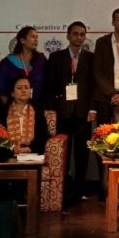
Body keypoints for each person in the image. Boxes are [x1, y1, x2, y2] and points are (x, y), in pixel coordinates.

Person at [46, 20, 95, 205]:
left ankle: (80, 190)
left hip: (83, 112)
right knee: (63, 151)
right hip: (63, 112)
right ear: (68, 36)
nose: (79, 37)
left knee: (82, 153)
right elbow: (50, 85)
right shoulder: (56, 57)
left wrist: (92, 107)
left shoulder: (91, 57)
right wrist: (52, 109)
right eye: (75, 34)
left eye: (82, 34)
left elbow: (93, 85)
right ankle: (63, 188)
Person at [0, 26, 48, 108]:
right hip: (14, 109)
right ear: (22, 40)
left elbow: (48, 84)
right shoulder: (8, 62)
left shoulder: (41, 60)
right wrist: (11, 109)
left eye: (37, 37)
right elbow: (1, 89)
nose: (36, 40)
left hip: (37, 108)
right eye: (33, 37)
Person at [0, 75, 49, 155]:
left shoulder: (37, 109)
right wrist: (12, 148)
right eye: (19, 88)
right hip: (8, 153)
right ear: (12, 93)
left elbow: (43, 135)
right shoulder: (4, 110)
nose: (24, 91)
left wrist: (29, 149)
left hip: (32, 153)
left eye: (27, 88)